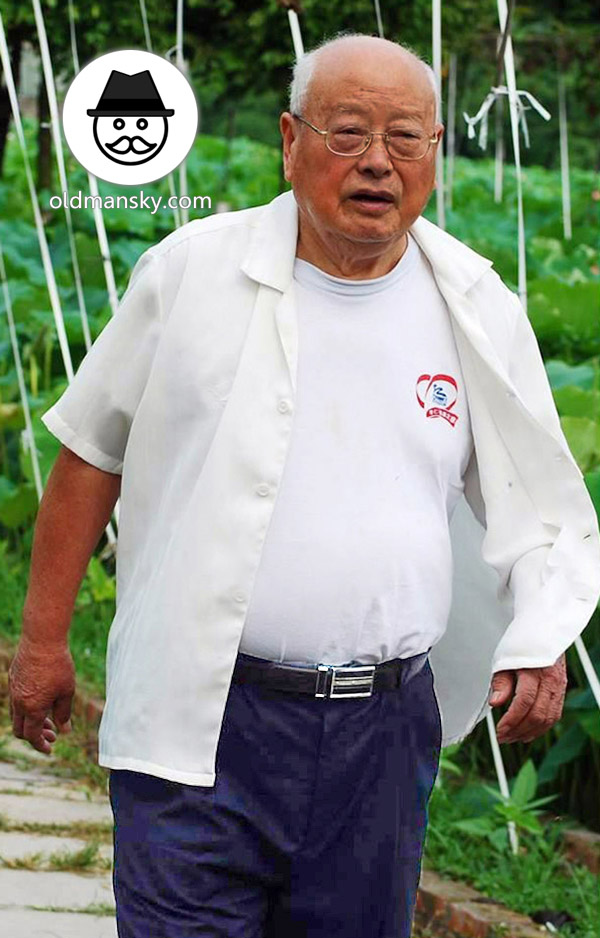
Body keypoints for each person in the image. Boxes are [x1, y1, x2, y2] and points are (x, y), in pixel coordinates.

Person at [9, 32, 600, 938]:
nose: (377, 162)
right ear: (291, 142)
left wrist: (543, 632)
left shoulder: (477, 307)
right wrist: (44, 642)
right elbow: (91, 452)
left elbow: (535, 505)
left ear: (436, 154)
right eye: (348, 131)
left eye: (406, 138)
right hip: (202, 714)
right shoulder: (191, 274)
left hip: (381, 731)